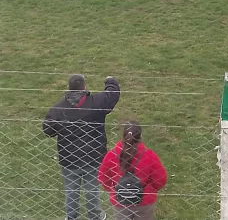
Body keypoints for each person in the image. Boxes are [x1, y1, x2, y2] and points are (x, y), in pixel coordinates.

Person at [43, 75, 120, 220]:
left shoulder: (59, 109)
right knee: (92, 189)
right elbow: (111, 96)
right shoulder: (96, 103)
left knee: (71, 189)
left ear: (69, 88)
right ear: (84, 87)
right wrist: (111, 81)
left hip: (69, 158)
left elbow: (48, 130)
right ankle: (94, 216)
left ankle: (71, 217)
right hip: (93, 157)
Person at [98, 122, 167, 220]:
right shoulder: (149, 155)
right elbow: (161, 179)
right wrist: (150, 189)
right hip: (144, 201)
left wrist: (112, 189)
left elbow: (103, 176)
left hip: (120, 200)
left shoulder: (111, 155)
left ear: (123, 136)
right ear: (140, 136)